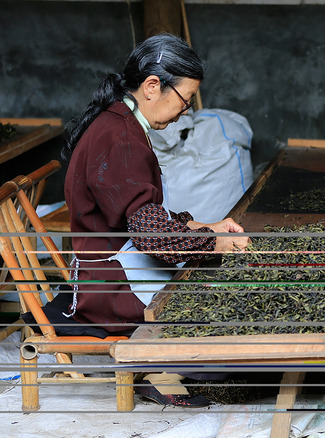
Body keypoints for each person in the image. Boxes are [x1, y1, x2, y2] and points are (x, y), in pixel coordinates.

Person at [61, 33, 249, 406]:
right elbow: (150, 235)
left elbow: (140, 216)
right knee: (231, 324)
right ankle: (161, 373)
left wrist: (204, 227)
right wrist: (214, 242)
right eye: (185, 99)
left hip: (120, 265)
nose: (186, 110)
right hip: (110, 285)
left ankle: (167, 367)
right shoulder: (122, 137)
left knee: (220, 291)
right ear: (152, 87)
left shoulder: (120, 122)